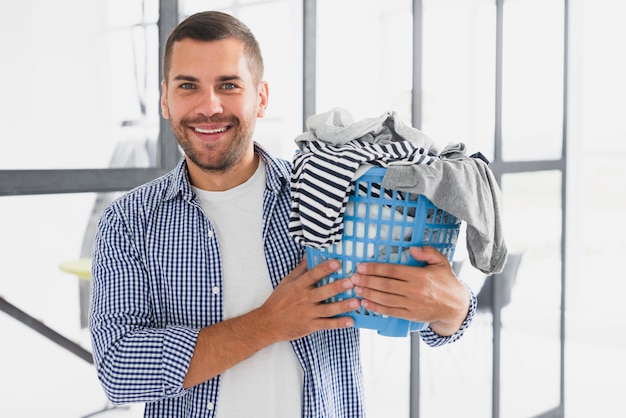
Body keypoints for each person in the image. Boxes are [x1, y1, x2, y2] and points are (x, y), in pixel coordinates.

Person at [89, 10, 476, 418]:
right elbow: (119, 370)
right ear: (166, 99)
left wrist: (453, 307)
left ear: (261, 97)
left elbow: (431, 313)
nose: (210, 105)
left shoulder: (334, 192)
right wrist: (268, 324)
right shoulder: (128, 223)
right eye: (189, 86)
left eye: (229, 84)